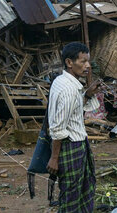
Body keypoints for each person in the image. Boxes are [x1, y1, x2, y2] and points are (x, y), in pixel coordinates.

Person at [47, 42, 101, 212]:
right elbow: (57, 128)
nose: (87, 66)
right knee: (71, 194)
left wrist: (88, 95)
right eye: (83, 61)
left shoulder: (62, 81)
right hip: (70, 146)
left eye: (88, 62)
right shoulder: (68, 90)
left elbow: (73, 111)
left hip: (77, 144)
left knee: (81, 189)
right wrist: (54, 158)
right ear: (70, 63)